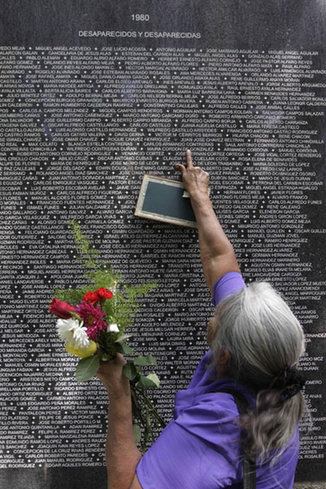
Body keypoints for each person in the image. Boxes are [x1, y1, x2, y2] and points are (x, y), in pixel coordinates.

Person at [96, 150, 306, 489]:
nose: (219, 306)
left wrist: (119, 392)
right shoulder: (269, 366)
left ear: (223, 356)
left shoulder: (220, 422)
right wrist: (199, 198)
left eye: (219, 313)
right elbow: (221, 259)